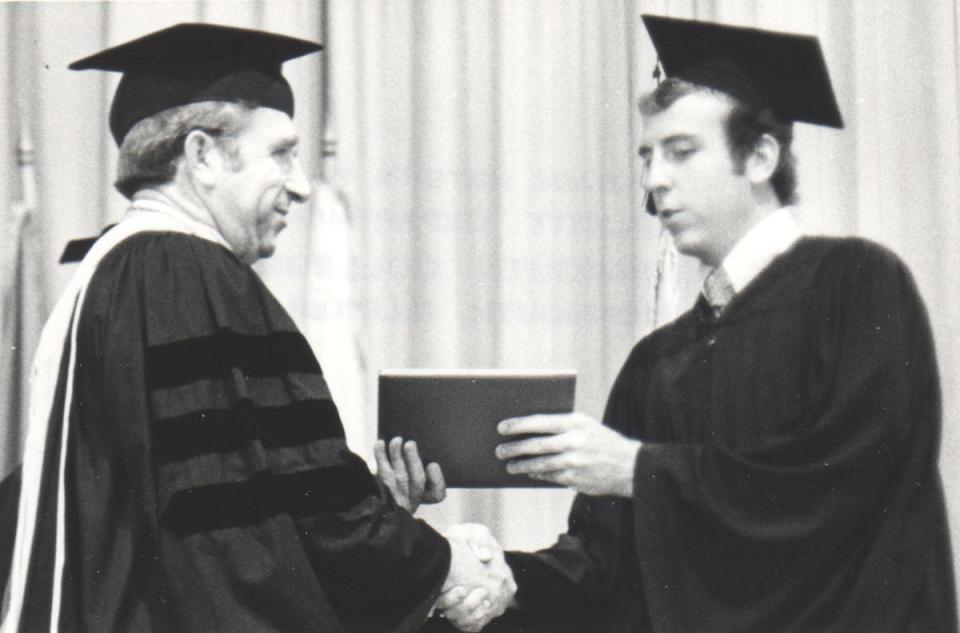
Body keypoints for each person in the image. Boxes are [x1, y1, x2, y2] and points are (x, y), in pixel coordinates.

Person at [423, 14, 958, 632]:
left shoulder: (857, 284)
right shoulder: (658, 360)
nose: (654, 182)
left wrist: (638, 471)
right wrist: (498, 579)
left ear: (759, 156)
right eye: (648, 157)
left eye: (680, 153)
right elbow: (602, 568)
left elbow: (848, 486)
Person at [0, 23, 514, 633]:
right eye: (280, 152)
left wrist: (382, 512)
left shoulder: (112, 274)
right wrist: (442, 563)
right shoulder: (186, 272)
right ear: (202, 156)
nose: (300, 184)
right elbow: (239, 540)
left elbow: (227, 499)